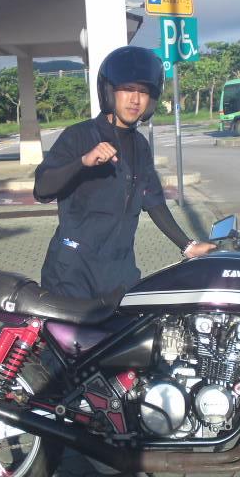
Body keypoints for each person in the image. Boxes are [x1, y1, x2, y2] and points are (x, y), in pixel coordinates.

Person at [33, 46, 216, 299]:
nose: (135, 100)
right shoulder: (79, 135)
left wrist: (187, 245)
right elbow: (42, 189)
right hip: (72, 270)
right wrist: (82, 162)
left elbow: (153, 201)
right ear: (109, 92)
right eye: (128, 89)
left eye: (144, 92)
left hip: (120, 270)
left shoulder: (140, 146)